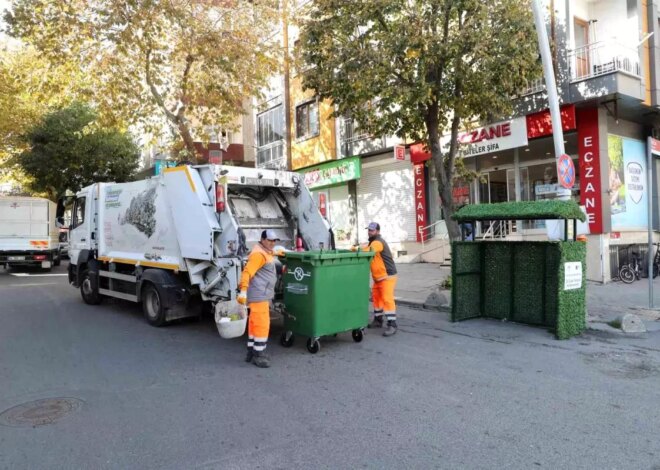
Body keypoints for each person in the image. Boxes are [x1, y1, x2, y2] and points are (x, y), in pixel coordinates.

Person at [237, 229, 281, 368]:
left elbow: (269, 254)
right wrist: (243, 291)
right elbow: (247, 272)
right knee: (262, 324)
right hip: (259, 295)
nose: (272, 243)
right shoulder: (258, 255)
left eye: (274, 241)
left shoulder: (264, 252)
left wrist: (278, 252)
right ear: (262, 240)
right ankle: (259, 354)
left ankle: (251, 351)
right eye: (269, 240)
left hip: (260, 294)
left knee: (254, 323)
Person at [355, 222, 398, 336]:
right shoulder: (372, 242)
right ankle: (378, 320)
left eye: (372, 230)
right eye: (369, 230)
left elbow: (369, 250)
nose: (369, 232)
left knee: (387, 299)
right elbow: (367, 247)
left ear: (378, 231)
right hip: (379, 278)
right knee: (377, 298)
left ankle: (392, 324)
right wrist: (358, 248)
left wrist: (355, 249)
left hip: (387, 276)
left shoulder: (378, 242)